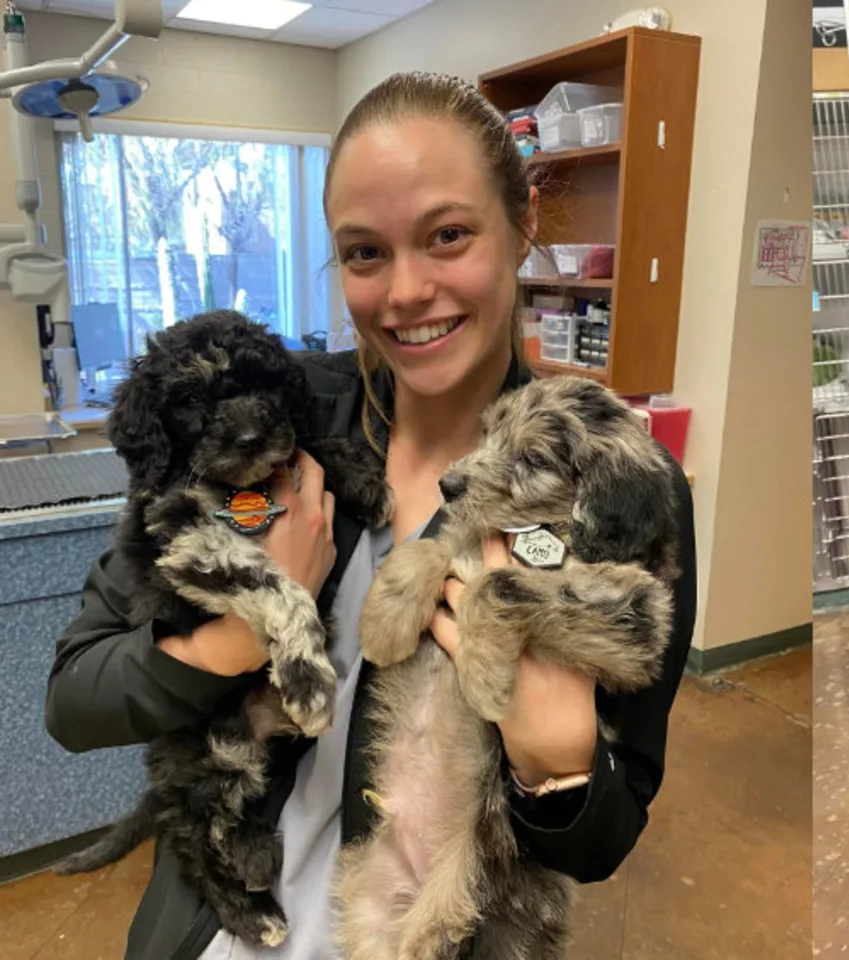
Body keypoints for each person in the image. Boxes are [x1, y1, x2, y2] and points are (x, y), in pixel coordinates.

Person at [44, 71, 697, 960]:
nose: (404, 293)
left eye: (449, 235)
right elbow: (76, 696)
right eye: (364, 253)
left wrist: (559, 766)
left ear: (524, 224)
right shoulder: (271, 415)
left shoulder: (613, 476)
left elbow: (603, 838)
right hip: (210, 930)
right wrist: (237, 640)